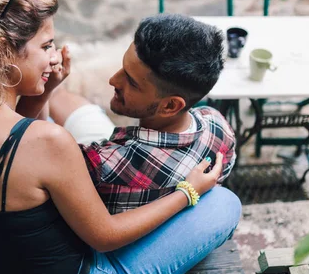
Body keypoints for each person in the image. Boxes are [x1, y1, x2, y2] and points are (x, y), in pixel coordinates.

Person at [0, 0, 241, 274]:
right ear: (2, 53)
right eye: (46, 46)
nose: (55, 57)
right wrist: (187, 192)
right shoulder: (48, 142)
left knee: (87, 121)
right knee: (223, 203)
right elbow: (104, 237)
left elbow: (15, 148)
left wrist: (48, 87)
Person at [48, 14, 237, 214]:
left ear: (171, 105)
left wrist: (39, 96)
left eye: (131, 81)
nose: (113, 80)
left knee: (59, 101)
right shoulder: (218, 127)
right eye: (123, 68)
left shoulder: (105, 163)